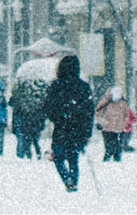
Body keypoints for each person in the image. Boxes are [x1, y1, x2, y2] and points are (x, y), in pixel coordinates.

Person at [43, 54, 94, 193]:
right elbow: (89, 111)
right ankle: (73, 181)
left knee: (58, 158)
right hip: (78, 129)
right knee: (73, 158)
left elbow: (48, 107)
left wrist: (58, 117)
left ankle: (67, 180)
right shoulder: (83, 87)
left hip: (61, 128)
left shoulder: (56, 85)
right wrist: (87, 131)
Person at [9, 74, 46, 159]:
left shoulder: (20, 95)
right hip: (35, 121)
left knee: (26, 140)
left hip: (25, 120)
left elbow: (11, 103)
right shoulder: (36, 95)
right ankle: (37, 154)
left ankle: (27, 155)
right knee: (34, 139)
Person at [94, 86, 135, 162]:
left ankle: (116, 164)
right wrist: (102, 123)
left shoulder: (123, 104)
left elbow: (127, 116)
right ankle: (107, 164)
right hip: (107, 129)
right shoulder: (106, 103)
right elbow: (98, 112)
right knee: (109, 149)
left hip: (119, 130)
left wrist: (124, 124)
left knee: (118, 149)